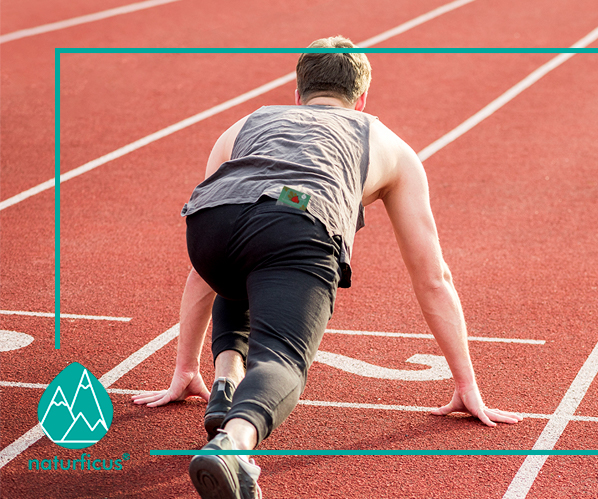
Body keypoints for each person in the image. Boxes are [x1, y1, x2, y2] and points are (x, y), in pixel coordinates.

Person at [132, 36, 522, 499]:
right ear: (362, 100)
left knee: (239, 270)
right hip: (298, 219)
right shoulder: (388, 144)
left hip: (210, 224)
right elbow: (433, 277)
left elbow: (208, 273)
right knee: (282, 358)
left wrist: (184, 368)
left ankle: (224, 380)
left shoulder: (244, 124)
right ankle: (233, 447)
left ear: (297, 93)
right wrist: (465, 382)